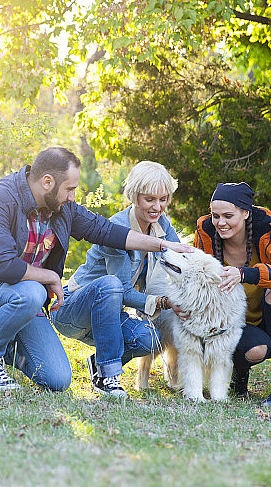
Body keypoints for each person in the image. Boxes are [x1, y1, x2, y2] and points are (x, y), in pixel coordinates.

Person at [0, 147, 193, 393]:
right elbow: (2, 264)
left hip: (24, 302)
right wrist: (50, 277)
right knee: (32, 291)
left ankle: (8, 346)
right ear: (47, 182)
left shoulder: (62, 209)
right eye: (70, 189)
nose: (73, 196)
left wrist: (163, 245)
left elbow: (106, 231)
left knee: (57, 379)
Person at [53, 161, 182, 397]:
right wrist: (164, 302)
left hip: (108, 317)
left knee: (150, 339)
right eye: (150, 199)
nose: (158, 207)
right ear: (135, 196)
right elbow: (122, 290)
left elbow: (179, 261)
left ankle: (98, 362)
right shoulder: (117, 228)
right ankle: (107, 376)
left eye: (163, 199)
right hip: (73, 310)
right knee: (111, 285)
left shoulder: (162, 226)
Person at [193, 182, 271, 405]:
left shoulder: (268, 229)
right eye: (216, 216)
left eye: (228, 215)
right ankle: (239, 374)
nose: (220, 222)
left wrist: (246, 274)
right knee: (256, 350)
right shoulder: (205, 234)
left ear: (245, 213)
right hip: (229, 324)